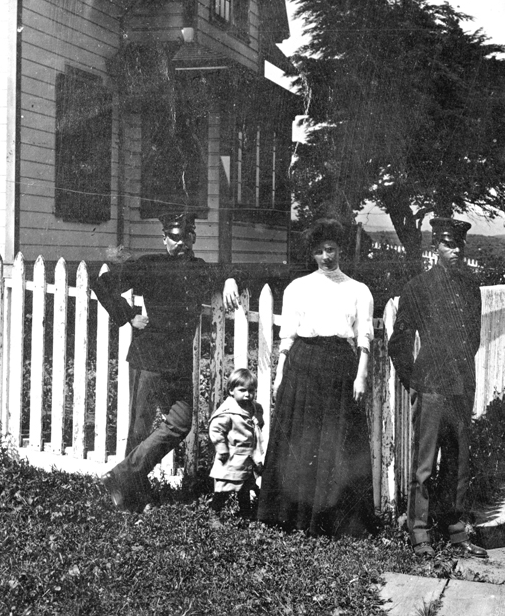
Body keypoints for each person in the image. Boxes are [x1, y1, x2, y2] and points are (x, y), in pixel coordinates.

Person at [93, 212, 242, 513]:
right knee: (139, 430)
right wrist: (128, 316)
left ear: (193, 238)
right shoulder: (150, 264)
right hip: (148, 358)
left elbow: (224, 270)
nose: (181, 242)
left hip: (178, 362)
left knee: (180, 423)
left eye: (187, 236)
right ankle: (129, 499)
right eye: (174, 237)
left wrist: (228, 279)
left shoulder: (199, 268)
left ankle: (121, 476)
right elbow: (103, 284)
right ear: (164, 239)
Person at [257, 218, 377, 537]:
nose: (327, 257)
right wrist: (281, 374)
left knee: (336, 440)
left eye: (332, 250)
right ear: (313, 253)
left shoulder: (357, 290)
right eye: (321, 251)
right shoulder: (299, 287)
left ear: (340, 251)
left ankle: (336, 521)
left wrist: (360, 376)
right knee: (301, 440)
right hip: (303, 363)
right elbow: (288, 337)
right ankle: (293, 517)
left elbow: (363, 337)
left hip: (340, 365)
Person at [388, 216, 488, 559]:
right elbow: (398, 342)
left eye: (460, 244)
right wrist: (412, 381)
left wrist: (459, 372)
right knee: (425, 465)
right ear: (435, 246)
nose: (455, 250)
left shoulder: (470, 288)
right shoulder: (418, 287)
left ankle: (455, 530)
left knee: (458, 463)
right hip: (429, 386)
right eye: (448, 243)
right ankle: (419, 533)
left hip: (460, 386)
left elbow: (472, 339)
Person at [207, 368, 266, 527]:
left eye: (251, 391)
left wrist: (258, 417)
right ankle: (214, 515)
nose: (247, 394)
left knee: (244, 488)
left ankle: (246, 516)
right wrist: (221, 448)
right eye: (242, 390)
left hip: (246, 457)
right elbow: (215, 428)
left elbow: (259, 415)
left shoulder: (252, 407)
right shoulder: (228, 411)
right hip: (230, 457)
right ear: (231, 391)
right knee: (224, 488)